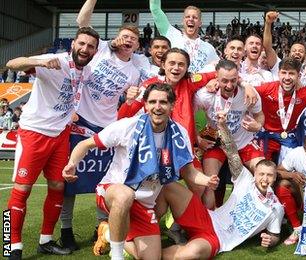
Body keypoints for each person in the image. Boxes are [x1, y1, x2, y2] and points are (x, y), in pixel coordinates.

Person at [62, 83, 219, 260]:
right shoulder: (128, 126)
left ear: (172, 105)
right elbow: (85, 144)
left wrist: (207, 180)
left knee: (151, 257)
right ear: (145, 104)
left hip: (145, 203)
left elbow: (189, 172)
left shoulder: (179, 132)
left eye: (163, 102)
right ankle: (116, 255)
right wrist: (72, 163)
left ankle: (107, 233)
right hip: (114, 190)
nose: (157, 107)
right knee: (125, 196)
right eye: (152, 102)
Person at [4, 26, 100, 259]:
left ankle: (45, 241)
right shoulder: (53, 60)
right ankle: (11, 246)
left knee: (58, 188)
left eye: (90, 46)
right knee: (22, 189)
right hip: (34, 133)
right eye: (81, 44)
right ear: (73, 44)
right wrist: (41, 63)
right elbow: (11, 64)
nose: (85, 49)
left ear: (95, 51)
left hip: (61, 135)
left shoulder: (85, 72)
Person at [61, 2, 146, 249]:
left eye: (133, 38)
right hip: (80, 122)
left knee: (106, 180)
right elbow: (83, 22)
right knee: (71, 177)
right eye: (125, 36)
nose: (128, 40)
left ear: (138, 46)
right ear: (117, 38)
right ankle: (66, 231)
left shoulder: (136, 68)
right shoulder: (101, 51)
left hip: (108, 128)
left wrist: (133, 96)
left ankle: (103, 227)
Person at [157, 110, 284, 258]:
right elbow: (232, 152)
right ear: (255, 174)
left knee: (192, 253)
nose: (265, 179)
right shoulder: (246, 180)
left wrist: (271, 241)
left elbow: (275, 234)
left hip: (218, 239)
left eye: (269, 175)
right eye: (261, 174)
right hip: (207, 217)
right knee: (168, 186)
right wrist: (222, 126)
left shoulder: (276, 208)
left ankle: (148, 253)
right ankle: (149, 230)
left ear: (275, 178)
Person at [194, 59, 265, 208]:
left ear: (238, 77)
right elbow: (188, 116)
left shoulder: (249, 93)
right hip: (216, 140)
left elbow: (260, 116)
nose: (229, 85)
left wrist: (257, 126)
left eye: (233, 80)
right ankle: (212, 224)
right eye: (224, 81)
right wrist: (198, 138)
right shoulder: (205, 95)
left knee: (263, 173)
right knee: (209, 182)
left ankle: (259, 221)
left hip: (243, 140)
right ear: (216, 77)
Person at [149, 0, 219, 72]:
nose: (191, 19)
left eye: (195, 17)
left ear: (200, 23)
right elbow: (155, 9)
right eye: (187, 17)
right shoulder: (172, 35)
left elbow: (219, 68)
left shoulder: (208, 48)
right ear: (182, 21)